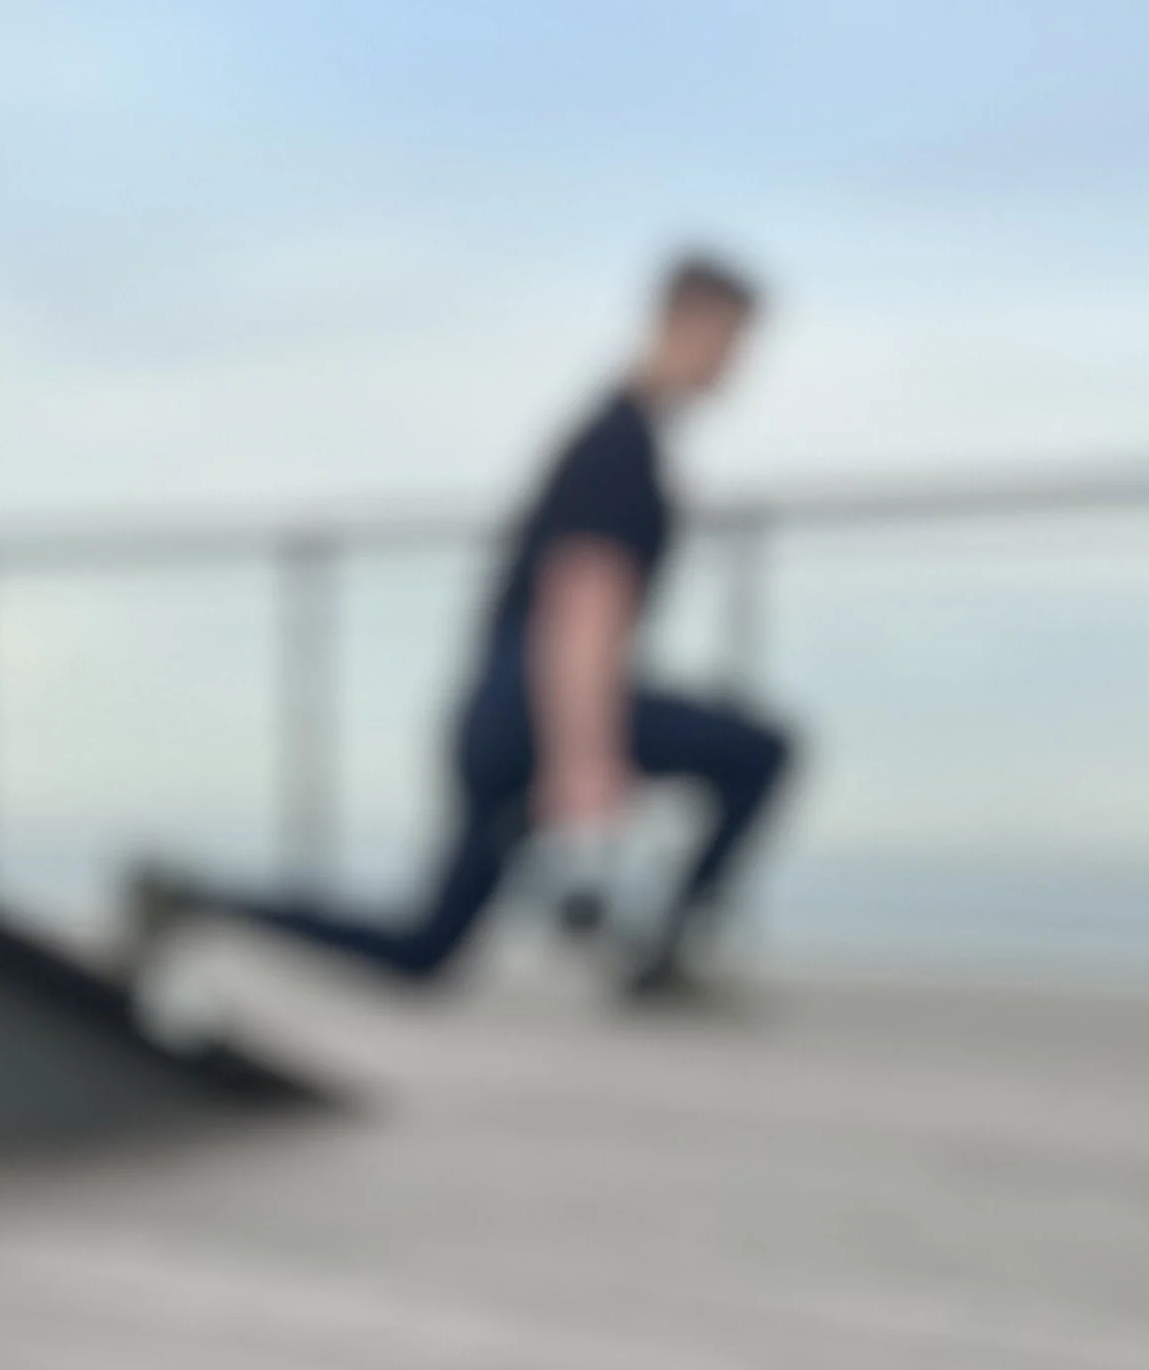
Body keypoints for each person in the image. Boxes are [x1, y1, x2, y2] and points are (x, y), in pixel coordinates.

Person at [145, 254, 793, 1004]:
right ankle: (665, 957)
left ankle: (195, 898)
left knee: (424, 948)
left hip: (499, 708)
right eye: (733, 342)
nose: (736, 366)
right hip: (537, 699)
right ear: (688, 321)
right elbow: (583, 602)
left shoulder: (610, 433)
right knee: (763, 750)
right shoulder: (620, 443)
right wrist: (584, 758)